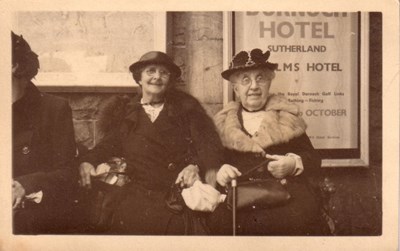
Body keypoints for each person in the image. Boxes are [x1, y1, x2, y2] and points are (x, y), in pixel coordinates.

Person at [78, 51, 224, 234]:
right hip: (135, 195)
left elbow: (208, 147)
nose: (157, 77)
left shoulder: (186, 111)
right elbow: (106, 146)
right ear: (139, 78)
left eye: (163, 73)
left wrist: (195, 166)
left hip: (175, 196)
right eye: (151, 71)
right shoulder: (125, 113)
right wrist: (87, 161)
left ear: (169, 80)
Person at [208, 48, 328, 235]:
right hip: (241, 200)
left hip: (285, 198)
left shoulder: (287, 117)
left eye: (260, 78)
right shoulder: (221, 124)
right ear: (236, 89)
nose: (254, 86)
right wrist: (218, 171)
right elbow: (208, 161)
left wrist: (292, 164)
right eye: (245, 80)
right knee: (221, 225)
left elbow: (313, 158)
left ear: (269, 83)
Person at [12, 32, 77, 234]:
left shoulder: (53, 109)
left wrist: (26, 184)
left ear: (14, 65)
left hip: (32, 212)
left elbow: (68, 173)